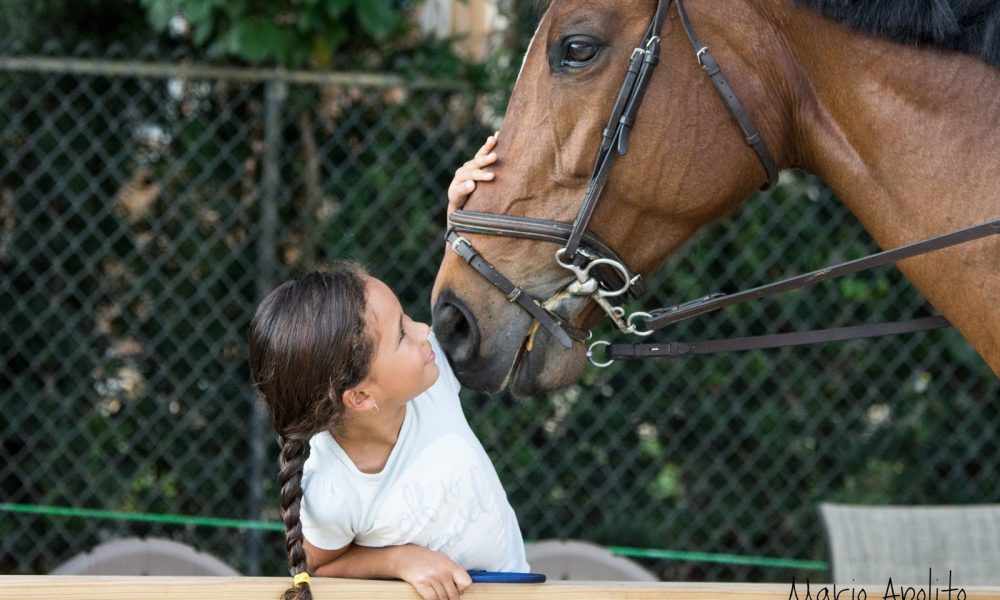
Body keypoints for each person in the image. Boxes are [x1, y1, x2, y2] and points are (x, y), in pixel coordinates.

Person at [249, 135, 514, 600]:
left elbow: (463, 291)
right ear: (361, 397)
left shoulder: (426, 379)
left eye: (408, 317)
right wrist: (401, 559)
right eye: (401, 334)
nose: (422, 330)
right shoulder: (332, 489)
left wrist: (460, 218)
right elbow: (317, 565)